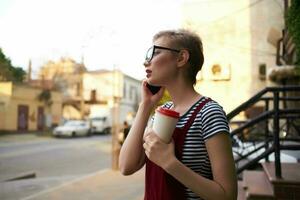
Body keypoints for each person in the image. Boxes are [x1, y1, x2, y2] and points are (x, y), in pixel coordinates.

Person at [119, 29, 237, 200]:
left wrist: (169, 163)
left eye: (155, 52)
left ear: (181, 58)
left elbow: (228, 195)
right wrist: (145, 106)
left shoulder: (209, 113)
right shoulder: (161, 112)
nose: (146, 62)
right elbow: (126, 166)